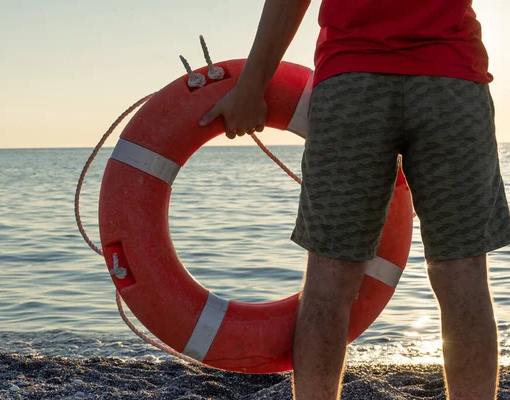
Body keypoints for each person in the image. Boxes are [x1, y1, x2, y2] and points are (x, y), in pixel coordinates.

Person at [198, 0, 510, 399]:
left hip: (352, 83)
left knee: (329, 282)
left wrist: (251, 87)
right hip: (450, 84)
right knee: (463, 276)